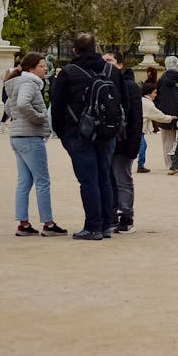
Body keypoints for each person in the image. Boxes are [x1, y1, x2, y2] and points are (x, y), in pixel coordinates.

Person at [50, 32, 126, 240]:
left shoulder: (68, 72)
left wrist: (63, 134)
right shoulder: (112, 70)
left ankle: (93, 226)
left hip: (79, 132)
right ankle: (106, 224)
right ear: (96, 49)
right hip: (107, 131)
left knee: (88, 180)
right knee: (105, 177)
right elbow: (123, 101)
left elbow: (56, 106)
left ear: (74, 50)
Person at [3, 53, 67, 236]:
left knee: (24, 181)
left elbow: (9, 107)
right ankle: (48, 223)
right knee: (42, 181)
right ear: (31, 68)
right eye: (41, 65)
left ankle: (23, 224)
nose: (45, 68)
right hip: (30, 137)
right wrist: (40, 118)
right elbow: (23, 105)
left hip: (18, 136)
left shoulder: (17, 83)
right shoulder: (29, 84)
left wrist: (18, 119)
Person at [103, 52, 143, 234]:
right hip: (108, 140)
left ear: (119, 64)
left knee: (122, 179)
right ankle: (112, 216)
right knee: (110, 180)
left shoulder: (130, 86)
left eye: (109, 61)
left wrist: (133, 145)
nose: (105, 64)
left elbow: (136, 119)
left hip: (124, 141)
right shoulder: (104, 84)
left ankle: (126, 217)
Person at [140, 81, 175, 170]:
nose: (156, 95)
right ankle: (140, 166)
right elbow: (158, 116)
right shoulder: (148, 104)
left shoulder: (142, 100)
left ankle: (140, 165)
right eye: (154, 92)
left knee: (142, 146)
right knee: (142, 147)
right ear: (149, 92)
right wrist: (170, 118)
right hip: (139, 129)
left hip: (137, 128)